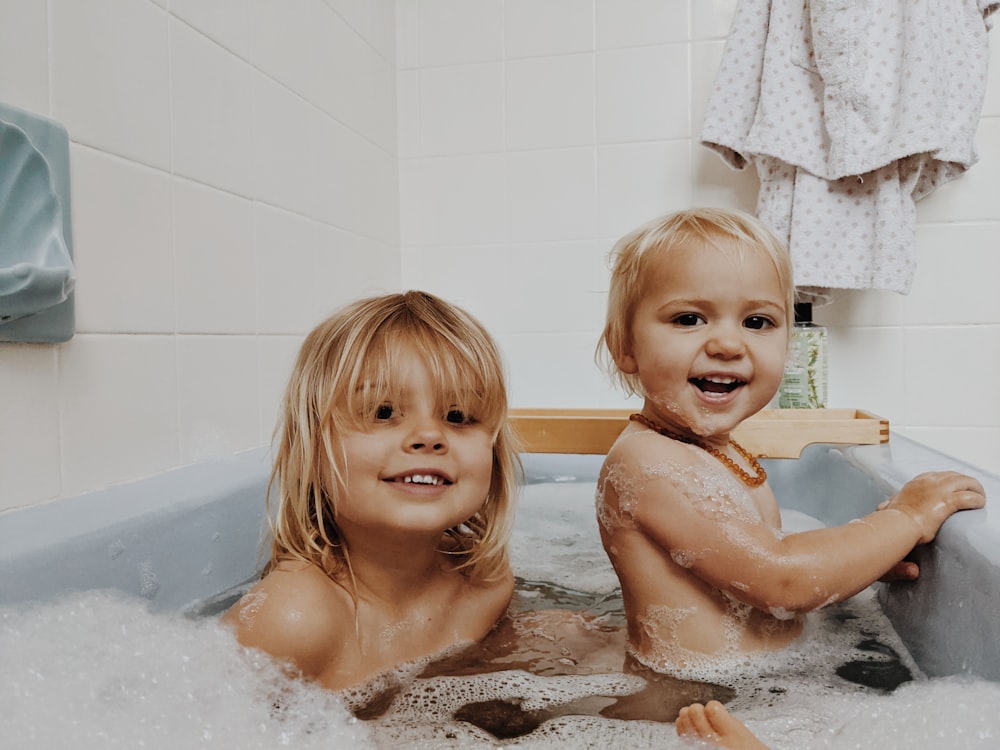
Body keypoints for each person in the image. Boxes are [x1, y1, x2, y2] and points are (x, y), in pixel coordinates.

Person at [594, 207, 986, 678]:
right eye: (689, 318)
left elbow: (758, 559)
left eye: (757, 322)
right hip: (690, 700)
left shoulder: (719, 448)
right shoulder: (647, 460)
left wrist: (857, 561)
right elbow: (781, 580)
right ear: (626, 347)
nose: (727, 344)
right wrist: (907, 518)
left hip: (753, 682)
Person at [222, 290, 520, 700]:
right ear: (313, 453)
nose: (429, 436)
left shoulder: (486, 584)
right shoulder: (291, 619)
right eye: (383, 412)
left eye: (456, 416)